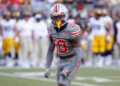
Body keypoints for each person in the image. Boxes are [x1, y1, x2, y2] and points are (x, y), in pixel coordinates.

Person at [44, 4, 82, 86]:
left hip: (72, 60)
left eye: (60, 16)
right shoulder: (51, 28)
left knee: (62, 84)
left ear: (65, 15)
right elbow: (50, 49)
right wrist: (47, 67)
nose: (58, 19)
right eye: (55, 17)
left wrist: (70, 69)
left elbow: (79, 54)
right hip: (60, 60)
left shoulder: (72, 29)